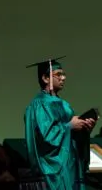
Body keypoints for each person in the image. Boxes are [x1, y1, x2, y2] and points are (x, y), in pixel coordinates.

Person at [24, 57, 96, 190]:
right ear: (45, 79)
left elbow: (71, 133)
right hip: (54, 167)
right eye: (58, 74)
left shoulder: (64, 104)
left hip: (70, 163)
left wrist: (84, 127)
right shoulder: (40, 104)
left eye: (64, 74)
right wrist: (69, 126)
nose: (63, 78)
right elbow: (45, 137)